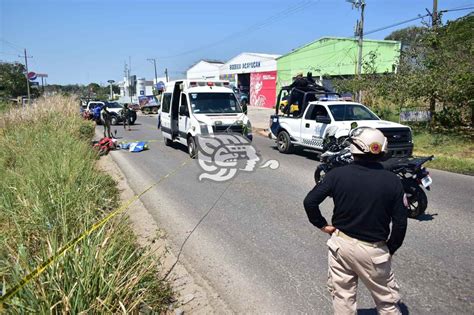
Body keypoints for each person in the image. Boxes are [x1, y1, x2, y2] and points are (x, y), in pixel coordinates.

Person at [303, 127, 407, 315]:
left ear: (354, 149)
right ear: (382, 150)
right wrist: (389, 249)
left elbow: (310, 201)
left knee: (343, 297)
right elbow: (400, 224)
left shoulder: (336, 174)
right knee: (387, 303)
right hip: (374, 250)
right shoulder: (393, 181)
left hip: (340, 245)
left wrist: (322, 225)